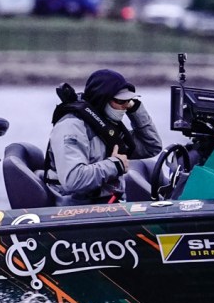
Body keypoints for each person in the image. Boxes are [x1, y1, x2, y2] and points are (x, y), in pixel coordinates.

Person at [45, 68, 162, 206]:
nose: (126, 106)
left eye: (129, 101)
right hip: (75, 206)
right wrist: (114, 165)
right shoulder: (71, 126)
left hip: (107, 203)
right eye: (121, 101)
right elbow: (73, 180)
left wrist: (136, 110)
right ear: (102, 99)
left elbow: (151, 146)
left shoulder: (107, 127)